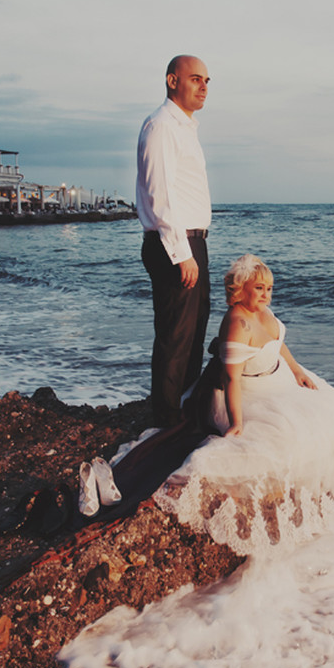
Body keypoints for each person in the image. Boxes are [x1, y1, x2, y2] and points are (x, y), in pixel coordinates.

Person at [153, 255, 334, 554]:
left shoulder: (263, 312)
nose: (266, 293)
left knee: (333, 406)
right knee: (281, 436)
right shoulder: (237, 322)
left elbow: (278, 343)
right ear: (240, 289)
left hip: (277, 378)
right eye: (259, 287)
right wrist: (236, 422)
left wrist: (297, 372)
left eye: (269, 287)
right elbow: (231, 380)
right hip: (247, 392)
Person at [136, 54, 212, 429]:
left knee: (196, 328)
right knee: (176, 334)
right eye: (195, 78)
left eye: (207, 81)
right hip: (174, 243)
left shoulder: (185, 128)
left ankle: (183, 409)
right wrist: (181, 253)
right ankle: (166, 422)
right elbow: (159, 195)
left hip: (191, 242)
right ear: (172, 81)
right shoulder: (161, 126)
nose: (203, 87)